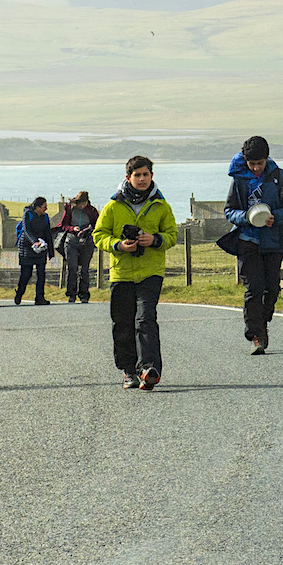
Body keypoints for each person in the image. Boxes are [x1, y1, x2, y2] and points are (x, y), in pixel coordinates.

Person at [92, 156, 178, 390]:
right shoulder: (113, 205)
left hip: (151, 272)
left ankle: (149, 369)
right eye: (137, 175)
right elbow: (98, 235)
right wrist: (118, 245)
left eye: (146, 174)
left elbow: (172, 234)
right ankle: (129, 370)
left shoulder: (162, 206)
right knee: (122, 322)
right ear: (128, 177)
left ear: (152, 176)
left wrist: (155, 239)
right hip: (121, 273)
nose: (142, 179)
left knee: (145, 319)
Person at [225, 135, 283, 354]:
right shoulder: (238, 180)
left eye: (260, 163)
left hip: (273, 241)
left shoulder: (282, 177)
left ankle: (263, 322)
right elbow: (230, 211)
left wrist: (275, 217)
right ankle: (255, 334)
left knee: (272, 289)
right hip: (247, 241)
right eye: (252, 164)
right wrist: (246, 217)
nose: (256, 168)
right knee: (254, 288)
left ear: (267, 158)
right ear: (245, 161)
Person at [54, 191, 99, 303]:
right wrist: (72, 228)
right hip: (71, 241)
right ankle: (71, 294)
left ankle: (84, 295)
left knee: (84, 269)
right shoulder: (69, 209)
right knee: (72, 268)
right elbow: (64, 225)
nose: (82, 206)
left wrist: (89, 229)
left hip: (87, 241)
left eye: (84, 204)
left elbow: (98, 225)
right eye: (80, 204)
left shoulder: (92, 210)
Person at [14, 196, 54, 306]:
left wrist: (51, 251)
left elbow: (48, 234)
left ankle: (40, 298)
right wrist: (34, 242)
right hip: (26, 247)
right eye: (44, 207)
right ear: (37, 207)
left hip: (40, 247)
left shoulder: (45, 217)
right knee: (26, 274)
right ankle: (19, 293)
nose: (46, 209)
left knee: (41, 274)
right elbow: (26, 231)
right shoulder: (28, 214)